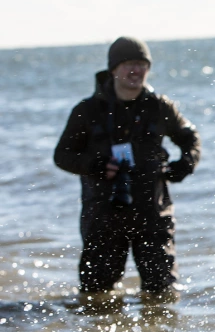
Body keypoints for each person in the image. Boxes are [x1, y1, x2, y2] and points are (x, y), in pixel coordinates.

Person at [54, 36, 201, 295]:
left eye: (142, 64)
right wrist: (95, 165)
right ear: (113, 69)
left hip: (152, 212)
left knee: (162, 294)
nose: (136, 70)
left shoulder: (160, 106)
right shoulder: (87, 110)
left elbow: (190, 138)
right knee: (95, 295)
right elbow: (62, 155)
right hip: (103, 214)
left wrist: (184, 164)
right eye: (129, 64)